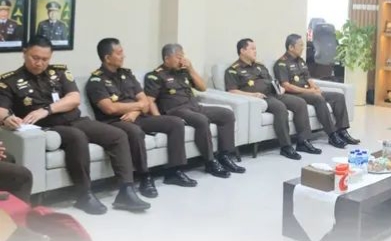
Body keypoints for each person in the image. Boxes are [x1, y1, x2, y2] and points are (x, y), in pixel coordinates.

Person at [0, 36, 149, 215]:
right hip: (48, 128)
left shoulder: (59, 72)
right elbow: (2, 110)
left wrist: (47, 109)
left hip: (76, 120)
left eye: (45, 59)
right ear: (24, 53)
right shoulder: (10, 81)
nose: (39, 63)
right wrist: (6, 118)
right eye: (35, 58)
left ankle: (126, 190)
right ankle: (84, 194)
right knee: (77, 137)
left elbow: (74, 98)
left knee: (117, 135)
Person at [86, 38, 197, 198]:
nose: (123, 56)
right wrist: (137, 106)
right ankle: (145, 176)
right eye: (119, 53)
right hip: (115, 121)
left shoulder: (127, 74)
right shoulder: (96, 81)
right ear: (107, 58)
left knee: (175, 123)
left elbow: (145, 102)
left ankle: (174, 171)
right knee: (135, 132)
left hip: (138, 116)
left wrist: (135, 111)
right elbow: (109, 108)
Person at [144, 43, 244, 178]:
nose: (182, 60)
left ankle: (224, 156)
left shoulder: (183, 71)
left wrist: (190, 68)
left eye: (183, 56)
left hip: (195, 106)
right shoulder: (155, 76)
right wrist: (159, 119)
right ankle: (210, 161)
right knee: (201, 120)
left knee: (227, 114)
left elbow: (202, 87)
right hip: (175, 110)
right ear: (167, 59)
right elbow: (150, 100)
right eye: (178, 57)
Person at [225, 38, 320, 160]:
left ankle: (303, 141)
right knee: (280, 108)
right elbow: (232, 91)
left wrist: (279, 88)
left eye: (255, 49)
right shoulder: (233, 70)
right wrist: (253, 95)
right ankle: (286, 147)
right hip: (261, 99)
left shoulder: (260, 66)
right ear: (242, 51)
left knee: (300, 103)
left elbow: (271, 81)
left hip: (274, 94)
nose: (255, 51)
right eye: (252, 49)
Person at [274, 34, 359, 149]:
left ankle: (342, 131)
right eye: (300, 45)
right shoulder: (281, 63)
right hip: (296, 94)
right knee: (318, 98)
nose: (303, 48)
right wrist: (310, 92)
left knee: (338, 96)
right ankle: (332, 135)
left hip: (308, 91)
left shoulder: (301, 61)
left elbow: (308, 78)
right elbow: (286, 86)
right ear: (291, 47)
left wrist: (316, 88)